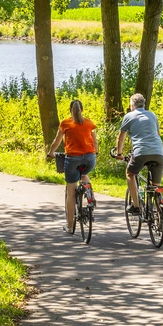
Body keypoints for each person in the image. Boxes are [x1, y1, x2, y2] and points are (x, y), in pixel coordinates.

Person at [46, 99, 97, 233]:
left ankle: (69, 227)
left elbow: (57, 141)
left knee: (71, 192)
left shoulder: (65, 124)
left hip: (73, 159)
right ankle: (90, 195)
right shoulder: (90, 124)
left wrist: (51, 153)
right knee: (84, 174)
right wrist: (94, 153)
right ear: (82, 110)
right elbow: (95, 143)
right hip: (90, 159)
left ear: (70, 110)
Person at [113, 93, 163, 214]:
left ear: (132, 105)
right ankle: (160, 214)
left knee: (130, 173)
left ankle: (136, 206)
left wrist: (119, 153)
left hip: (141, 152)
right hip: (159, 152)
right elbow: (157, 135)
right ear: (144, 104)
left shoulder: (129, 116)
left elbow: (121, 138)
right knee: (156, 185)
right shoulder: (152, 115)